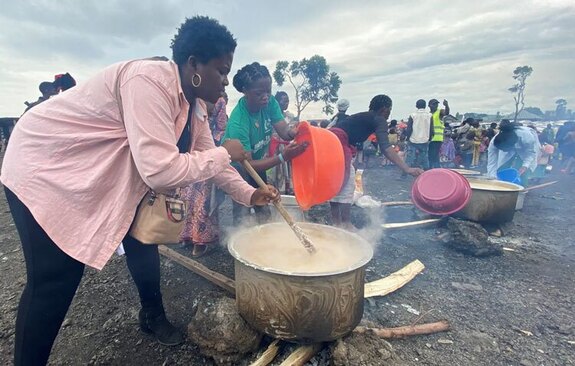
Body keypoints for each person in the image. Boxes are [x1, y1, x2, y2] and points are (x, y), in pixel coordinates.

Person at [0, 16, 280, 366]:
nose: (226, 81)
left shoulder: (194, 106)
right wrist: (226, 152)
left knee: (142, 241)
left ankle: (152, 316)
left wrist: (249, 194)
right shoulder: (149, 82)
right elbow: (161, 171)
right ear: (194, 64)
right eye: (222, 71)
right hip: (45, 165)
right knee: (55, 279)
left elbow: (210, 161)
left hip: (100, 174)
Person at [223, 62, 306, 225]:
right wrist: (282, 157)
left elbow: (284, 131)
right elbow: (249, 165)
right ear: (245, 92)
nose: (265, 97)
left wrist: (293, 132)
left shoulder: (270, 103)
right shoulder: (238, 122)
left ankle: (265, 240)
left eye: (268, 91)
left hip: (257, 163)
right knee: (242, 210)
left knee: (265, 207)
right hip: (238, 168)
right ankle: (239, 242)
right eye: (259, 93)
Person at [329, 95, 423, 228]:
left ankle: (337, 223)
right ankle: (345, 223)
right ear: (384, 109)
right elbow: (385, 147)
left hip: (330, 142)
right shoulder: (379, 119)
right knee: (347, 183)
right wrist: (406, 168)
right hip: (338, 142)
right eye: (390, 109)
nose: (389, 113)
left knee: (338, 181)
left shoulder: (365, 116)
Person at [180, 93, 229, 258]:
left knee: (201, 200)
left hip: (206, 154)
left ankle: (199, 240)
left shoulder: (218, 101)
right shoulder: (189, 98)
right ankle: (191, 238)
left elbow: (221, 128)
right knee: (191, 198)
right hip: (192, 154)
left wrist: (211, 148)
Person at [487, 119, 540, 186]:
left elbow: (530, 153)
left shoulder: (526, 137)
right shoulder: (494, 142)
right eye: (502, 150)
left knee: (523, 172)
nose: (503, 151)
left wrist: (525, 166)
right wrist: (492, 177)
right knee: (502, 167)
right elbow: (492, 161)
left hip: (526, 150)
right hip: (511, 146)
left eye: (505, 149)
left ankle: (523, 188)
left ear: (512, 145)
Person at [269, 91, 296, 194]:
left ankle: (285, 190)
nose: (287, 103)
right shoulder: (271, 116)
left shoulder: (290, 116)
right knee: (275, 170)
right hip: (274, 148)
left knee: (286, 170)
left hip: (286, 147)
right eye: (284, 101)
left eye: (288, 101)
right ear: (277, 102)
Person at [405, 99, 432, 171]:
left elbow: (409, 129)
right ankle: (427, 174)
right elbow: (431, 128)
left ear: (416, 106)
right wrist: (429, 138)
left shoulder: (412, 115)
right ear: (425, 106)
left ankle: (403, 175)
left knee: (409, 158)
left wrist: (407, 138)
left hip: (413, 140)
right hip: (424, 140)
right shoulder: (429, 115)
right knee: (424, 158)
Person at [428, 99, 450, 168]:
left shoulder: (439, 112)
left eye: (436, 104)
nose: (436, 105)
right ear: (429, 105)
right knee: (432, 155)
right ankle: (434, 169)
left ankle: (433, 170)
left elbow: (446, 113)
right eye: (434, 104)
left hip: (437, 138)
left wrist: (446, 105)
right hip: (430, 138)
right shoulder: (429, 114)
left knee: (433, 155)